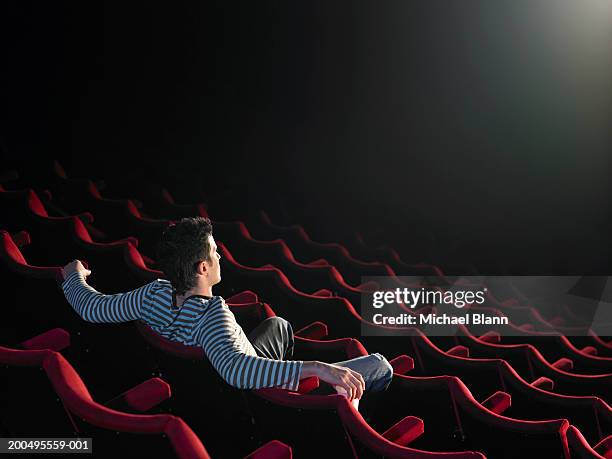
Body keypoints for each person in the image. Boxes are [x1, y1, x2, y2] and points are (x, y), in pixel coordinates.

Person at [61, 217, 393, 406]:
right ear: (203, 267)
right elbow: (237, 370)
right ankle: (321, 396)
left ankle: (299, 370)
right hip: (257, 394)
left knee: (278, 325)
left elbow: (92, 307)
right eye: (216, 253)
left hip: (203, 378)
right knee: (379, 364)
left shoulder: (154, 294)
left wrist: (73, 275)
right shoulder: (212, 317)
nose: (221, 257)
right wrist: (320, 369)